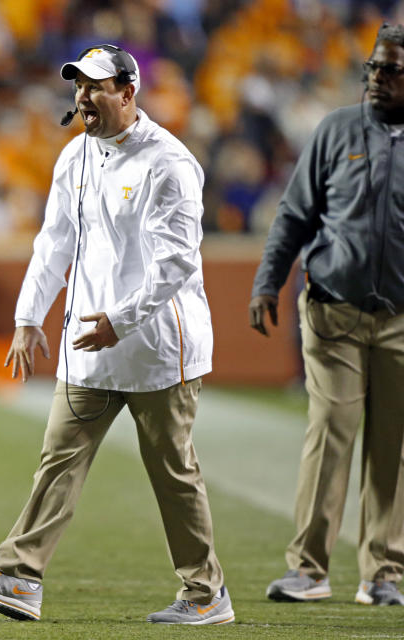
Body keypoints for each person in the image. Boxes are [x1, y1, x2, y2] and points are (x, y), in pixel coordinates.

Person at [0, 44, 233, 625]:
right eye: (78, 86)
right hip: (88, 346)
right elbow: (54, 241)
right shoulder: (74, 155)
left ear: (128, 93)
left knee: (174, 475)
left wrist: (120, 321)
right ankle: (18, 577)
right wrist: (28, 317)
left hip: (158, 348)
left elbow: (174, 263)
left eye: (96, 87)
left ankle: (206, 594)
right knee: (58, 460)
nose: (83, 97)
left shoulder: (169, 163)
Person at [250, 23, 404, 607]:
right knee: (330, 433)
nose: (376, 79)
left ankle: (382, 574)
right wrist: (267, 280)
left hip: (401, 318)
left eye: (391, 70)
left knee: (392, 447)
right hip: (333, 310)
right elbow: (294, 214)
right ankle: (309, 569)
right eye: (373, 67)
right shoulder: (337, 130)